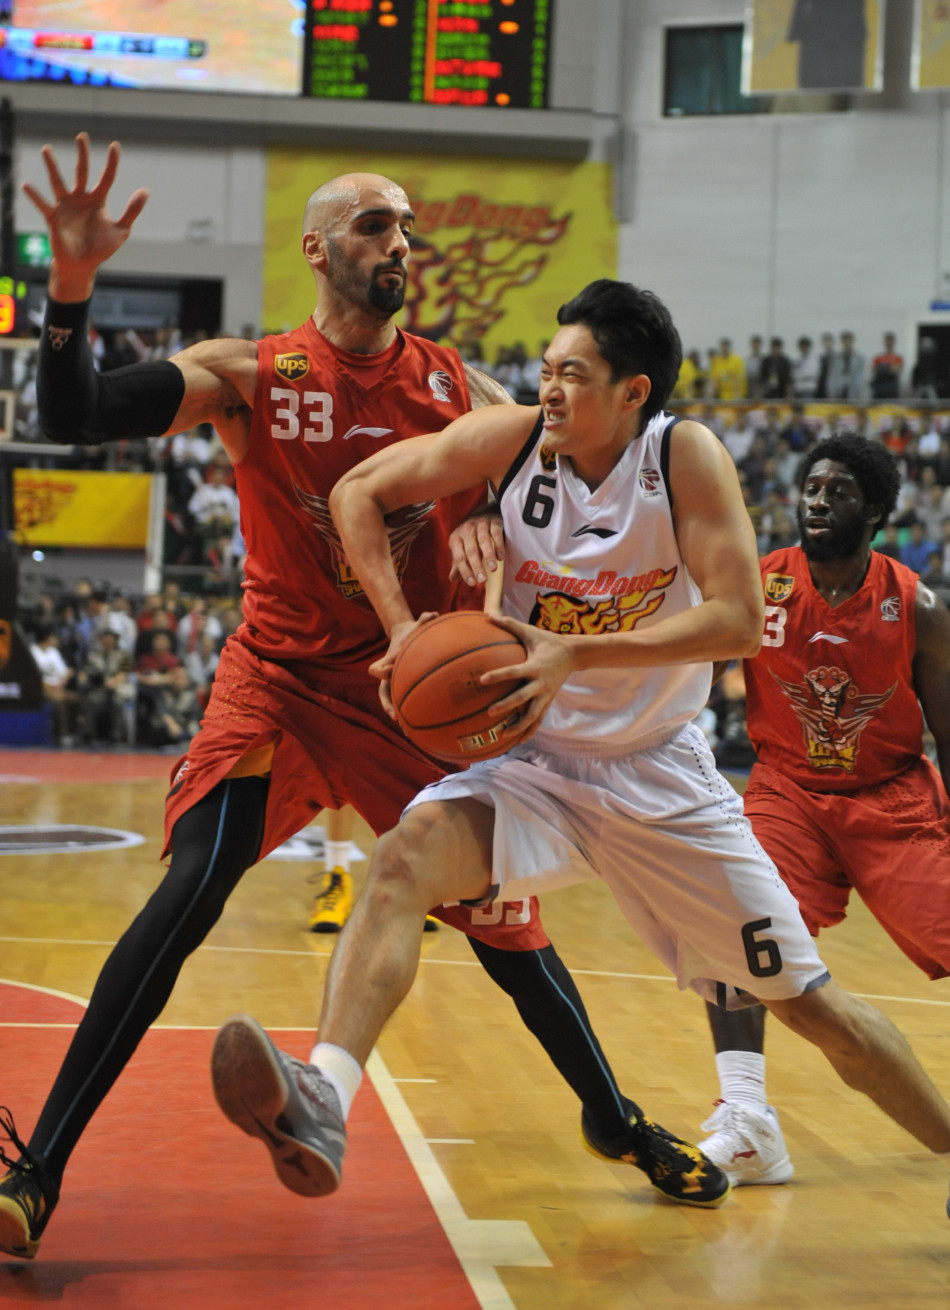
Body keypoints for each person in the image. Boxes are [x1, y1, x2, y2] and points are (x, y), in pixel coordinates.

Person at [0, 137, 729, 1264]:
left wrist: (500, 529)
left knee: (505, 934)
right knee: (192, 886)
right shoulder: (248, 376)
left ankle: (615, 1115)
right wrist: (73, 288)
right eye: (375, 225)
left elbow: (564, 473)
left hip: (410, 698)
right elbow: (80, 411)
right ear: (318, 248)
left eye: (405, 227)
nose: (400, 243)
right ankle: (39, 1169)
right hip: (281, 682)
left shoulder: (462, 389)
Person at [210, 280, 950, 1216]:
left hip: (660, 777)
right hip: (534, 765)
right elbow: (359, 490)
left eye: (573, 374)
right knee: (400, 863)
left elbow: (736, 624)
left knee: (815, 1011)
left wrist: (573, 652)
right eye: (547, 370)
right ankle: (324, 1094)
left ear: (632, 392)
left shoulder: (682, 456)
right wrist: (401, 629)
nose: (548, 389)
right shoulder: (516, 440)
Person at [697, 435, 950, 1192]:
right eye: (811, 487)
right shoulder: (758, 583)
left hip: (894, 798)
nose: (816, 500)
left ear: (873, 510)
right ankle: (746, 1119)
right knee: (734, 925)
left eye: (837, 491)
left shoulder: (919, 606)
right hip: (787, 792)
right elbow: (694, 667)